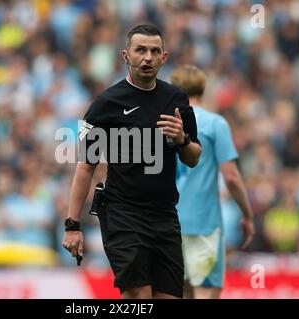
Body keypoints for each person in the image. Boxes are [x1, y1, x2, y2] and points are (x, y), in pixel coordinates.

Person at [62, 25, 202, 299]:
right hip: (122, 215)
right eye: (141, 50)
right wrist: (72, 225)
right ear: (126, 56)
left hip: (165, 215)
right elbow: (85, 166)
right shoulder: (105, 104)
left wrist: (182, 139)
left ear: (164, 57)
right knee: (139, 297)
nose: (147, 57)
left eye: (154, 51)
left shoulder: (176, 99)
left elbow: (194, 157)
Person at [171, 65, 255, 299]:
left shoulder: (164, 125)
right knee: (205, 292)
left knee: (179, 292)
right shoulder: (214, 123)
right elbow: (231, 176)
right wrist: (247, 214)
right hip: (203, 225)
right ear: (203, 89)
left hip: (167, 225)